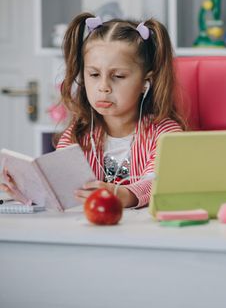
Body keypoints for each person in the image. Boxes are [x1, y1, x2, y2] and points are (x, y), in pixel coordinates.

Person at [1, 13, 186, 208]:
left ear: (145, 83)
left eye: (119, 76)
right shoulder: (76, 135)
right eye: (94, 74)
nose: (103, 87)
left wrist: (123, 194)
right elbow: (61, 193)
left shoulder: (165, 134)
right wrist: (25, 191)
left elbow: (158, 182)